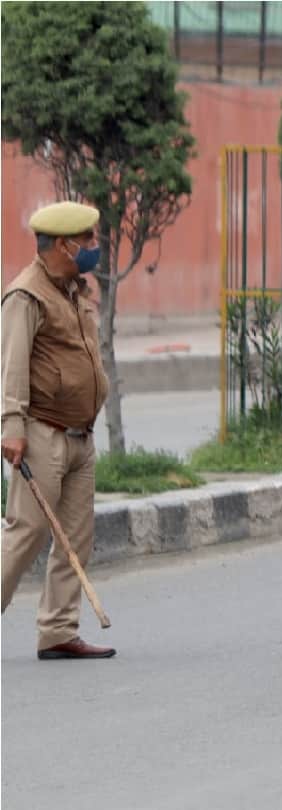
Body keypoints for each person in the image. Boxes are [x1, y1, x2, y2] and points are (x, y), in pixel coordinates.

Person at [1, 201, 115, 660]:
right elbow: (11, 367)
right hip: (41, 432)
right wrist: (11, 426)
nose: (94, 246)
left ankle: (58, 629)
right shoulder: (26, 295)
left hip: (79, 435)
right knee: (26, 532)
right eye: (87, 239)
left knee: (76, 536)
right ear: (64, 245)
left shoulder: (72, 289)